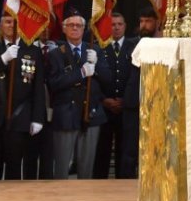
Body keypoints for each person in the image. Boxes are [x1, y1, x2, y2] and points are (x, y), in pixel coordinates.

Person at [0, 13, 45, 180]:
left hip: (19, 119)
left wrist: (38, 117)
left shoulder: (32, 50)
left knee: (14, 171)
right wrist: (3, 59)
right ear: (0, 25)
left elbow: (38, 87)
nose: (11, 25)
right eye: (7, 22)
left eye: (15, 22)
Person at [46, 10, 112, 179]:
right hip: (66, 115)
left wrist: (96, 65)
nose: (75, 28)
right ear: (64, 28)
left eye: (79, 26)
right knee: (61, 168)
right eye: (71, 25)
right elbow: (54, 84)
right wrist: (81, 73)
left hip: (90, 114)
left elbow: (107, 80)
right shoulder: (55, 54)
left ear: (84, 29)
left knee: (86, 168)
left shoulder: (94, 50)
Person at [93, 12, 139, 179]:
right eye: (113, 24)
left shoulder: (134, 47)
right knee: (102, 148)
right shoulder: (99, 47)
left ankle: (123, 183)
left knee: (125, 148)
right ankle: (99, 185)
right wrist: (104, 99)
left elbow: (135, 77)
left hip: (126, 107)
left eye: (120, 24)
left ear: (125, 26)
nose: (116, 27)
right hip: (104, 106)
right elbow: (94, 78)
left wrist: (126, 100)